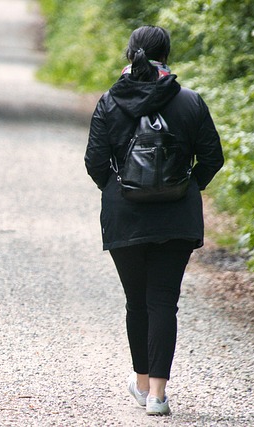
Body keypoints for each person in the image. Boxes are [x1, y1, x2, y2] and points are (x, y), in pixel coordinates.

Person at [84, 25, 224, 416]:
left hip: (125, 217)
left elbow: (95, 162)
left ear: (130, 54)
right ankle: (158, 397)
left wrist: (120, 191)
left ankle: (142, 383)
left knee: (137, 302)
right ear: (167, 54)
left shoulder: (110, 101)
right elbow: (213, 158)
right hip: (176, 217)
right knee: (164, 300)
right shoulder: (190, 102)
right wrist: (185, 187)